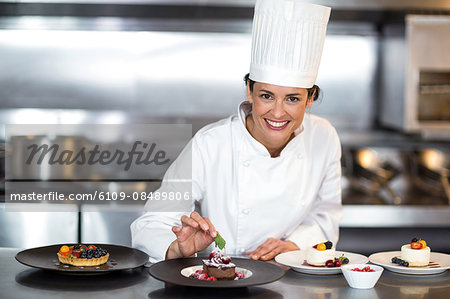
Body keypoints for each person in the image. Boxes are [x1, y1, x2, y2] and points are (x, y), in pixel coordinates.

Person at [131, 0, 342, 263]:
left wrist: (295, 244)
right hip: (221, 281)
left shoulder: (323, 137)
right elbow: (152, 222)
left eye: (292, 99)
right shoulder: (211, 143)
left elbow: (326, 215)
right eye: (266, 96)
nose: (277, 113)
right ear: (249, 91)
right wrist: (177, 248)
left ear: (310, 99)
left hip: (292, 277)